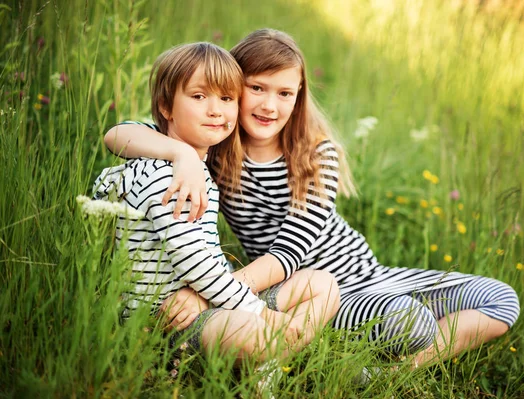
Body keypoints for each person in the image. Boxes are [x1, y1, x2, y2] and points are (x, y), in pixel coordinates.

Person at [104, 29, 520, 367]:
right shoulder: (212, 146)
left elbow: (288, 253)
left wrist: (204, 292)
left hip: (365, 271)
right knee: (411, 324)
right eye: (257, 88)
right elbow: (118, 135)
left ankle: (389, 375)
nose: (270, 105)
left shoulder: (316, 152)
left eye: (285, 93)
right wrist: (181, 155)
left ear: (299, 96)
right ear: (232, 87)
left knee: (502, 300)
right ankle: (373, 341)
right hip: (315, 292)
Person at [94, 41, 340, 365]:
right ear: (167, 106)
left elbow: (222, 267)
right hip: (168, 319)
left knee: (323, 284)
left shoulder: (202, 159)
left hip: (208, 297)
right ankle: (284, 356)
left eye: (226, 99)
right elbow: (196, 264)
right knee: (253, 332)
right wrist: (263, 315)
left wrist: (224, 302)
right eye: (199, 97)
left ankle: (275, 358)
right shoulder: (169, 177)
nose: (216, 110)